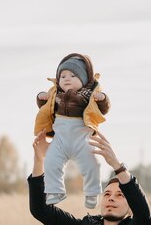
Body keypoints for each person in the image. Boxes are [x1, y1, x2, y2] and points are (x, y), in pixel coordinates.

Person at [34, 53, 110, 209]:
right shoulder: (55, 95)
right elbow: (45, 108)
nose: (67, 78)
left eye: (73, 75)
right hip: (60, 139)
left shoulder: (88, 94)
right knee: (50, 162)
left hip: (81, 139)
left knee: (92, 165)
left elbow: (103, 109)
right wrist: (41, 98)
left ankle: (92, 192)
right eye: (63, 76)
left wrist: (102, 98)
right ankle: (55, 191)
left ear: (84, 79)